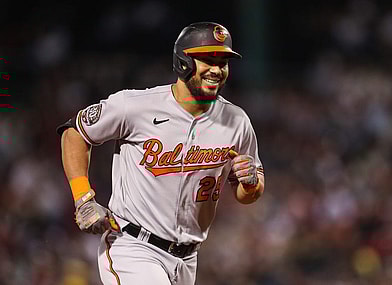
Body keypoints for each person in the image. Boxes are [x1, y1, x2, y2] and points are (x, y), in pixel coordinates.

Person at [57, 21, 265, 285]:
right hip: (132, 246)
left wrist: (250, 183)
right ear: (183, 62)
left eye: (223, 62)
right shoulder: (135, 106)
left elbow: (250, 192)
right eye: (208, 60)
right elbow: (74, 132)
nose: (216, 70)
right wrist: (83, 198)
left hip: (188, 259)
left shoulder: (236, 120)